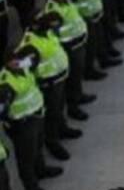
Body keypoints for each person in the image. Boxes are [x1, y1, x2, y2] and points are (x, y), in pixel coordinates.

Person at [19, 12, 80, 160]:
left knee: (59, 108)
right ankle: (53, 143)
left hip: (59, 79)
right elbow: (25, 71)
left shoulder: (46, 33)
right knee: (51, 115)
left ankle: (62, 128)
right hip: (48, 84)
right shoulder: (29, 45)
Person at [1, 47, 57, 190]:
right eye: (13, 60)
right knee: (26, 158)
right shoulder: (5, 82)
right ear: (6, 63)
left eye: (17, 58)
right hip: (22, 124)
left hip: (36, 115)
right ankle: (32, 188)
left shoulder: (23, 67)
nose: (17, 62)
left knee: (38, 146)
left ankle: (41, 169)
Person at [44, 0, 96, 123]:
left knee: (77, 75)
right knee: (71, 80)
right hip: (69, 47)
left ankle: (79, 95)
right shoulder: (52, 11)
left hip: (78, 43)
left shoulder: (66, 1)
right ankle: (73, 108)